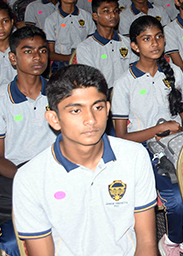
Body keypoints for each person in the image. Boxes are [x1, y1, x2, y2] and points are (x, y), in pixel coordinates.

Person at [13, 64, 158, 256]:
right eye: (76, 110)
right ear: (54, 119)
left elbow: (146, 242)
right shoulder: (30, 178)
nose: (91, 119)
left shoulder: (135, 156)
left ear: (108, 109)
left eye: (98, 107)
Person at [112, 15, 183, 256]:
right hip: (142, 148)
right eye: (146, 39)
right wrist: (158, 131)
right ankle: (172, 240)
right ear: (134, 46)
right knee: (177, 198)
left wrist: (180, 134)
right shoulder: (124, 83)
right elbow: (121, 137)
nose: (155, 43)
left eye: (159, 37)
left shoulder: (174, 72)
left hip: (177, 141)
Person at [0, 25, 55, 256]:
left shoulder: (59, 93)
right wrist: (28, 179)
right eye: (28, 51)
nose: (37, 57)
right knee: (15, 243)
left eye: (42, 51)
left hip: (58, 170)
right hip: (18, 174)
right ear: (13, 58)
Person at [76, 0, 137, 88]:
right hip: (101, 93)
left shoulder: (128, 43)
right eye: (106, 11)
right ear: (95, 16)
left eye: (116, 11)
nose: (113, 15)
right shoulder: (85, 47)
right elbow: (89, 81)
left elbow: (134, 75)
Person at [44, 0, 95, 70]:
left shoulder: (86, 16)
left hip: (83, 60)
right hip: (60, 63)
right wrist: (71, 58)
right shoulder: (51, 20)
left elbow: (91, 43)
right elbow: (50, 53)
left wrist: (81, 57)